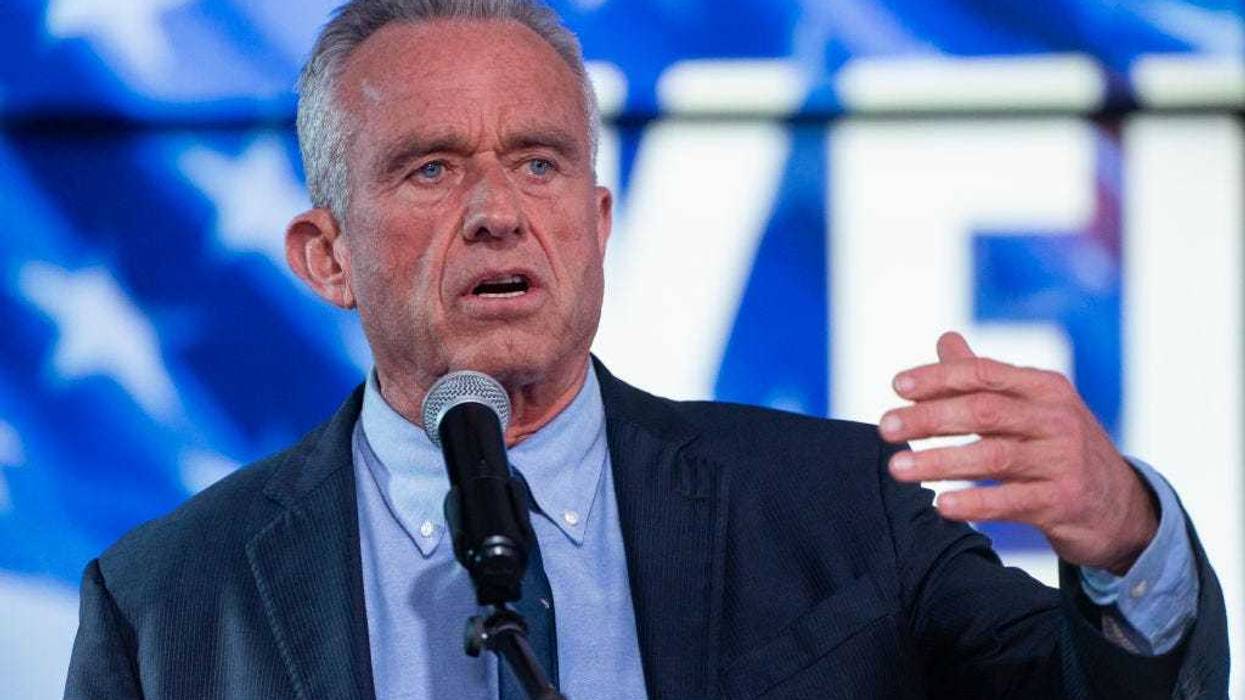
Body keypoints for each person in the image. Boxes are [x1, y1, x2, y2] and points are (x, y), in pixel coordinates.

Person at [64, 0, 1228, 698]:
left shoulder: (841, 511)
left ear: (599, 224)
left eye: (537, 161)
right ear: (325, 257)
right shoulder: (168, 600)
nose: (497, 212)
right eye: (430, 168)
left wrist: (1127, 532)